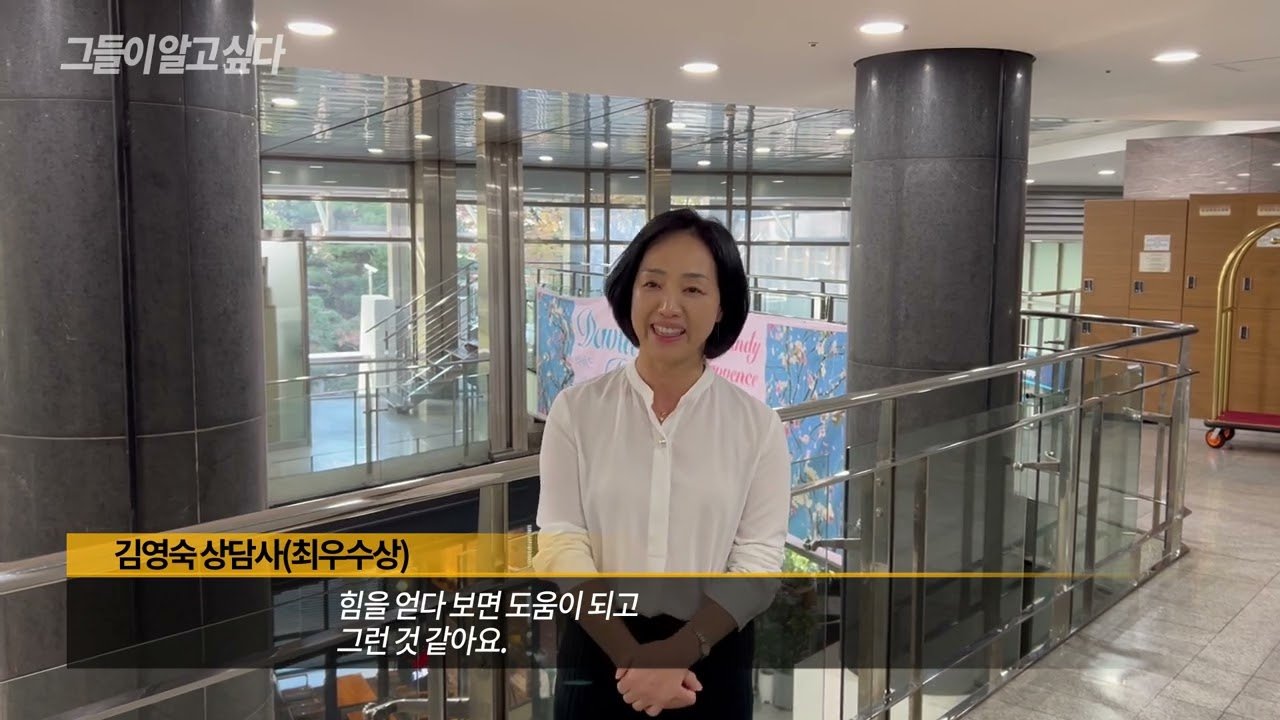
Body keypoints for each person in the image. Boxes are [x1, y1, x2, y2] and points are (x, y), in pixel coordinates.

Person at [533, 208, 792, 718]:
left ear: (722, 306)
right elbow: (561, 542)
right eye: (652, 283)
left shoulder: (756, 425)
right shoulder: (576, 411)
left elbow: (759, 558)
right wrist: (634, 660)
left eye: (693, 289)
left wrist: (677, 654)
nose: (668, 306)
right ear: (629, 293)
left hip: (711, 651)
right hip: (599, 647)